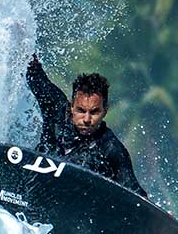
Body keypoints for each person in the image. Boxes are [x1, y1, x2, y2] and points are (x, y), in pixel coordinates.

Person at [23, 54, 148, 198]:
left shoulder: (111, 148)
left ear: (105, 110)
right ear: (71, 107)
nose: (87, 119)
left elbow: (135, 194)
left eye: (94, 112)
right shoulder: (56, 109)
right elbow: (34, 74)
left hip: (74, 200)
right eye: (81, 111)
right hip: (34, 188)